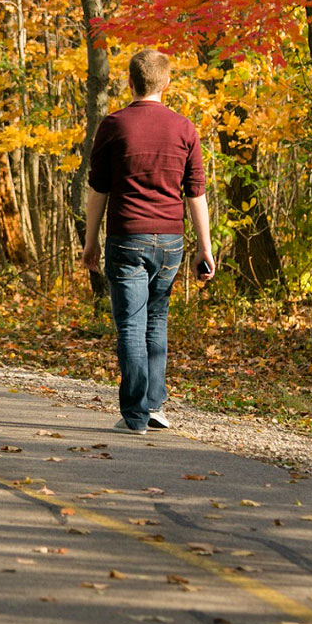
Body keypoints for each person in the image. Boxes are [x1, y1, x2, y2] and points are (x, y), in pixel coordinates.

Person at [79, 49, 214, 434]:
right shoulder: (185, 128)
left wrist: (91, 243)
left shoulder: (114, 125)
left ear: (129, 82)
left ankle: (136, 415)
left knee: (132, 326)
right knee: (156, 322)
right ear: (166, 84)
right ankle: (153, 405)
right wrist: (205, 247)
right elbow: (196, 193)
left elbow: (98, 192)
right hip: (171, 241)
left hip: (127, 239)